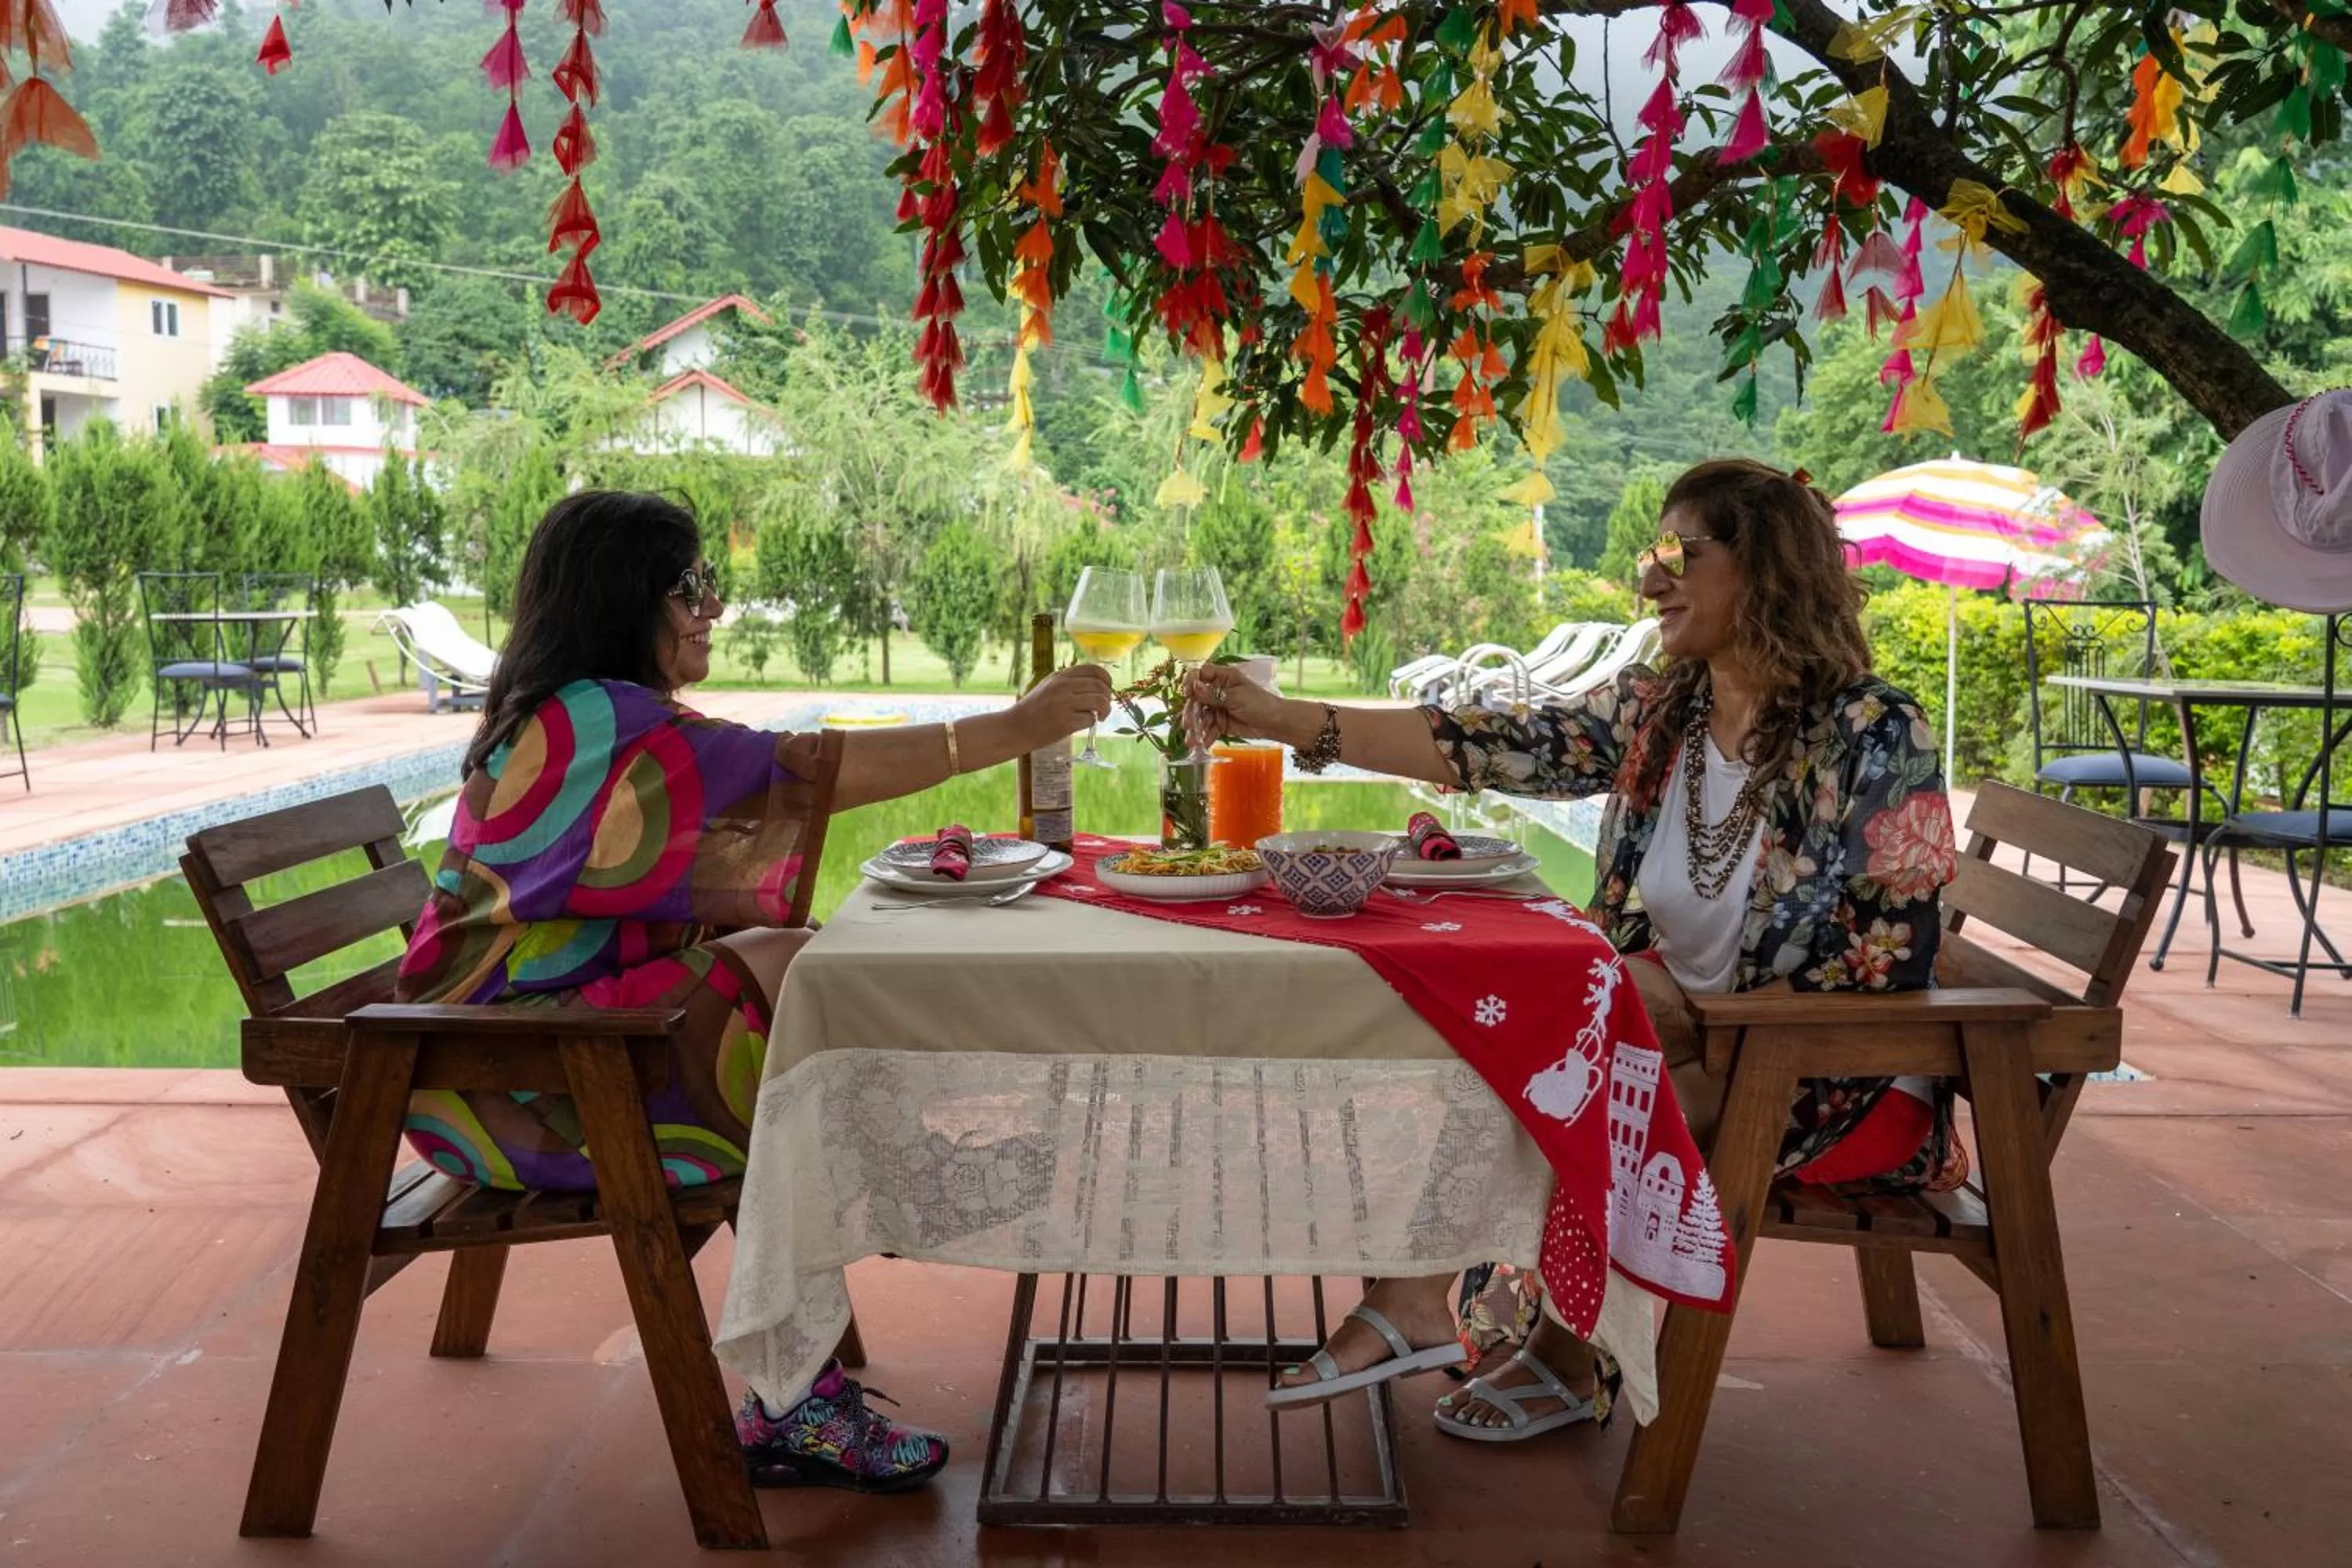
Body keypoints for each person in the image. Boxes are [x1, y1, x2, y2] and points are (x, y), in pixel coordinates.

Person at [1185, 458, 1959, 1441]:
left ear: (1766, 569)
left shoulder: (1873, 734)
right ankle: (1426, 1303)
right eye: (1652, 553)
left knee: (1571, 1084)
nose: (1651, 581)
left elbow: (1878, 971)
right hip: (1681, 1030)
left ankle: (1543, 1339)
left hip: (1828, 1075)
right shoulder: (1663, 708)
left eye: (1681, 552)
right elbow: (1492, 740)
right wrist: (1289, 719)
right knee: (1506, 1043)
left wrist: (1676, 1014)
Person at [394, 490, 1113, 1493]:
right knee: (790, 990)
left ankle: (890, 1197)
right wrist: (1016, 726)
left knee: (792, 970)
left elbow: (729, 815)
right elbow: (801, 774)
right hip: (513, 1088)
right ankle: (847, 1297)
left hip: (514, 1060)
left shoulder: (586, 716)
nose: (714, 604)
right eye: (690, 584)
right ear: (623, 597)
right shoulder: (598, 721)